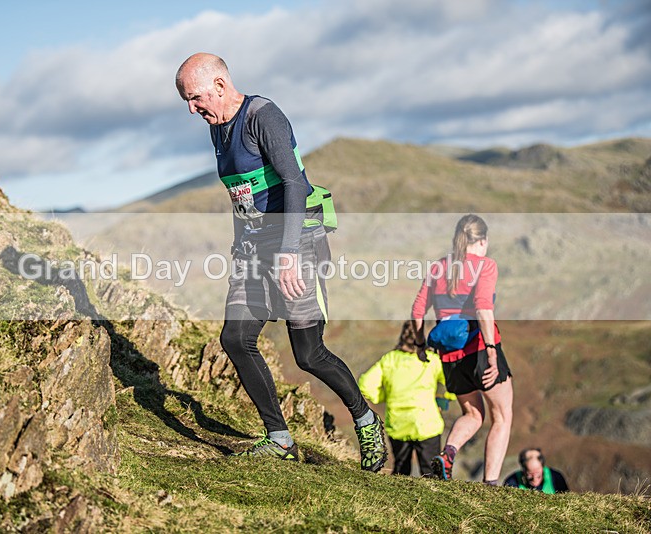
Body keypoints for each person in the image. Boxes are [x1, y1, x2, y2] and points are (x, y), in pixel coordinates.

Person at [175, 52, 387, 471]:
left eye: (195, 97)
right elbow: (242, 194)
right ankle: (280, 439)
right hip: (254, 249)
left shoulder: (263, 116)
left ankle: (365, 419)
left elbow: (292, 183)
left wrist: (290, 254)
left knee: (308, 353)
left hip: (297, 241)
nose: (191, 108)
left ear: (220, 85)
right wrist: (241, 246)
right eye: (185, 100)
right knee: (236, 338)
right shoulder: (217, 127)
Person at [411, 214, 513, 485]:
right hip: (479, 348)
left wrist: (421, 345)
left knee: (473, 414)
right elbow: (482, 306)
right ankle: (490, 484)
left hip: (450, 356)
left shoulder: (438, 268)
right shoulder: (486, 266)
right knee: (501, 416)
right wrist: (491, 351)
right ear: (483, 241)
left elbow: (418, 310)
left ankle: (448, 453)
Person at [358, 321, 455, 476]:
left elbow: (365, 385)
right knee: (431, 472)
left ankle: (397, 498)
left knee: (400, 470)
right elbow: (453, 383)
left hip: (398, 423)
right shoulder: (431, 360)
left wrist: (383, 397)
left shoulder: (389, 359)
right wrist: (444, 400)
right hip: (426, 422)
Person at [503, 448, 569, 494]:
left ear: (542, 467)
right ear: (523, 470)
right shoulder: (512, 482)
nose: (534, 478)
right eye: (530, 474)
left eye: (537, 473)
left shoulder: (556, 478)